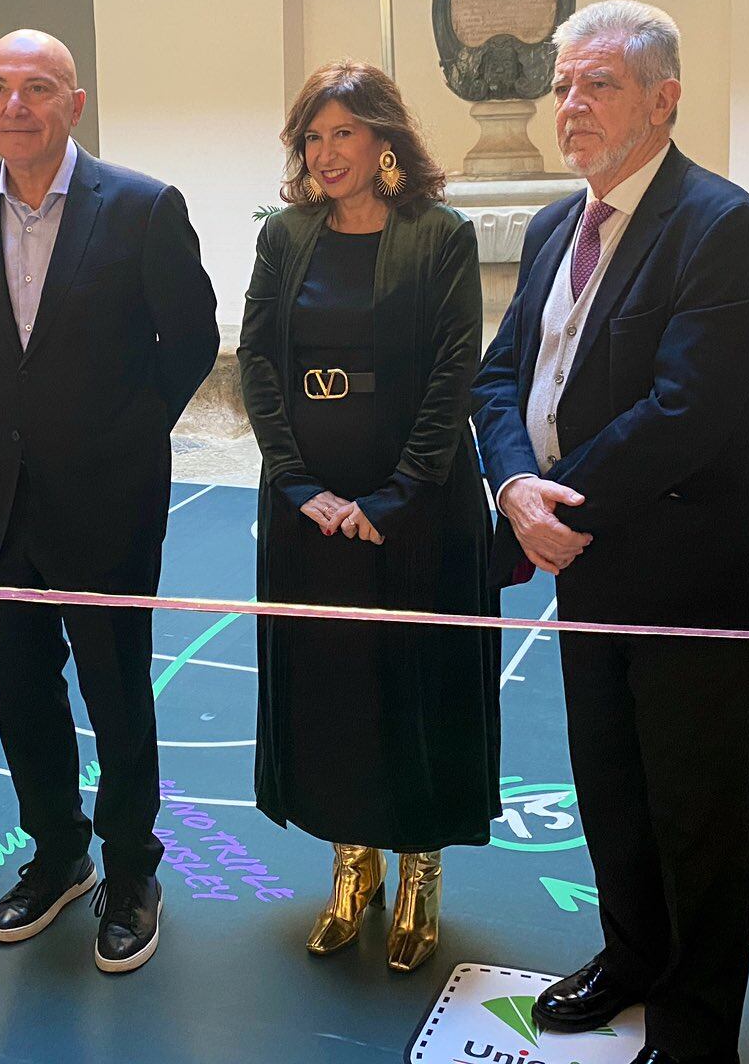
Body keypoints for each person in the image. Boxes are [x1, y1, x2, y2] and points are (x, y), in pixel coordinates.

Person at [472, 0, 749, 1064]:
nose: (569, 103)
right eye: (563, 83)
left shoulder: (721, 225)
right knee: (608, 781)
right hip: (585, 556)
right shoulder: (554, 224)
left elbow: (687, 412)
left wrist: (551, 509)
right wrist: (516, 488)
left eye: (596, 83)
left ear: (662, 100)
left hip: (687, 568)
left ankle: (697, 1024)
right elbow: (500, 377)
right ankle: (629, 959)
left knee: (694, 810)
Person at [0, 29, 219, 975]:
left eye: (39, 88)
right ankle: (57, 854)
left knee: (117, 693)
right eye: (0, 88)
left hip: (107, 499)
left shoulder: (140, 207)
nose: (18, 106)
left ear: (75, 104)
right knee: (19, 688)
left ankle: (132, 870)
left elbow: (190, 339)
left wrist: (125, 436)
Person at [238, 61, 498, 974]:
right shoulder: (286, 236)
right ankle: (353, 862)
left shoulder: (441, 235)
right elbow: (259, 366)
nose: (326, 152)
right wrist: (300, 486)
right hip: (308, 509)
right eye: (313, 136)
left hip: (417, 507)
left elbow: (452, 377)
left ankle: (419, 865)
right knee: (332, 685)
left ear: (384, 137)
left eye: (343, 132)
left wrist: (391, 498)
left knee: (413, 682)